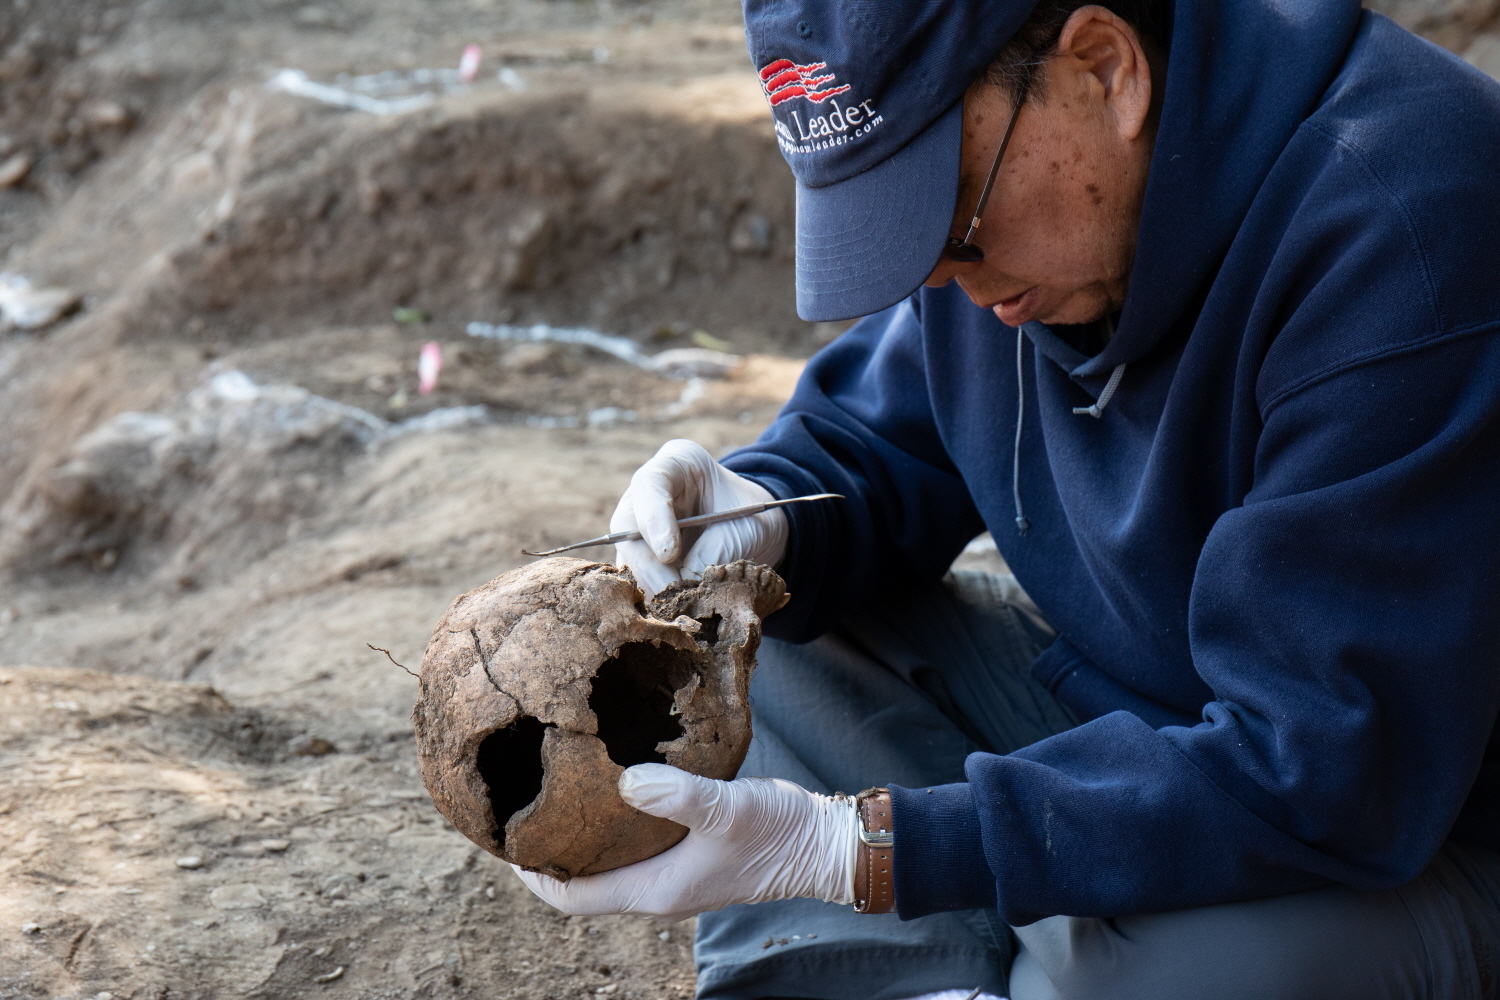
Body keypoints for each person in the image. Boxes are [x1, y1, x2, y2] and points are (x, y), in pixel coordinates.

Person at [514, 0, 1500, 997]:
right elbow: (883, 431)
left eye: (946, 219)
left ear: (1105, 71)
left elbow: (1331, 765)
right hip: (1171, 721)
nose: (940, 278)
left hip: (1422, 816)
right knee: (753, 628)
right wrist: (762, 509)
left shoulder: (1405, 222)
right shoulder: (1040, 226)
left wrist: (859, 849)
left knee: (1110, 975)